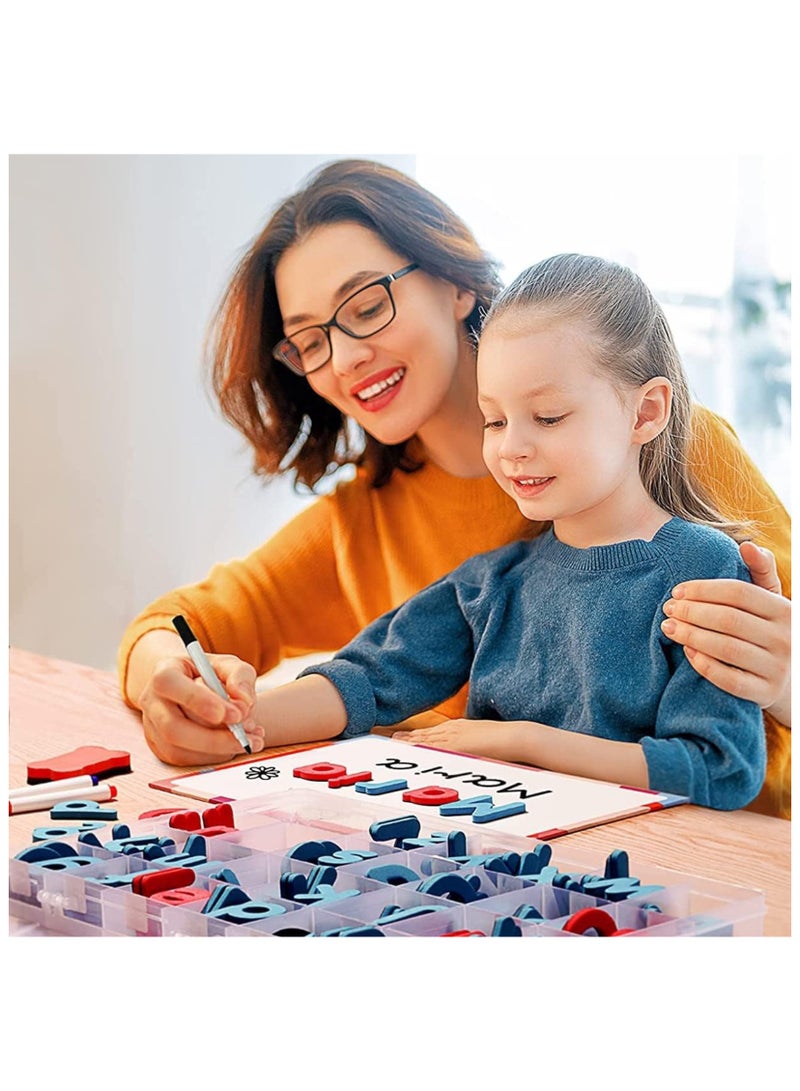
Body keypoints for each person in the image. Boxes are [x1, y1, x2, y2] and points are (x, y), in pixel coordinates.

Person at [117, 160, 790, 815]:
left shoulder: (681, 462)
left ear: (455, 283)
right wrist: (190, 698)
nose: (346, 356)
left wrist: (786, 679)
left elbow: (725, 760)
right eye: (309, 342)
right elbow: (205, 631)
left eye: (367, 305)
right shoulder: (400, 539)